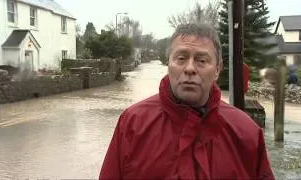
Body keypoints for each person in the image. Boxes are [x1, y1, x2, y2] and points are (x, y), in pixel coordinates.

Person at [99, 23, 274, 179]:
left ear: (218, 69)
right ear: (168, 63)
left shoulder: (246, 133)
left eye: (202, 60)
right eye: (181, 58)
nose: (190, 68)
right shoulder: (132, 124)